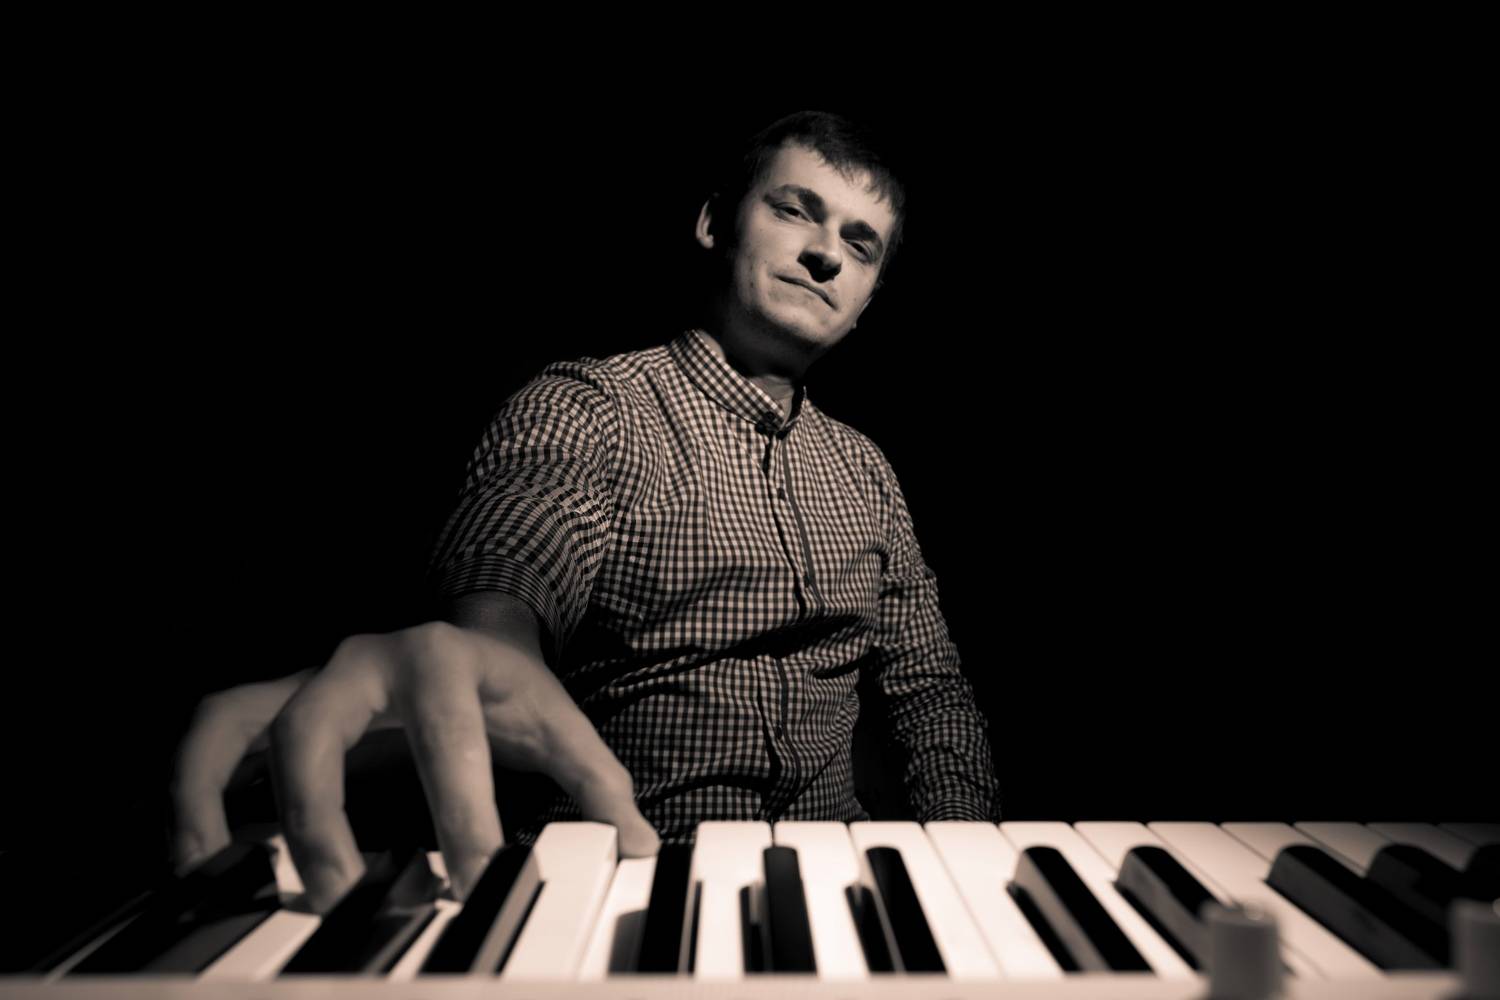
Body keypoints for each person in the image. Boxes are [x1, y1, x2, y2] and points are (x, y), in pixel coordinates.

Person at [170, 110, 1000, 914]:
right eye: (794, 210)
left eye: (860, 244)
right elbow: (511, 568)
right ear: (715, 223)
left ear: (867, 296)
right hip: (618, 880)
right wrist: (485, 651)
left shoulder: (868, 472)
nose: (826, 253)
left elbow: (928, 693)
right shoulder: (589, 409)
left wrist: (964, 868)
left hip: (836, 885)